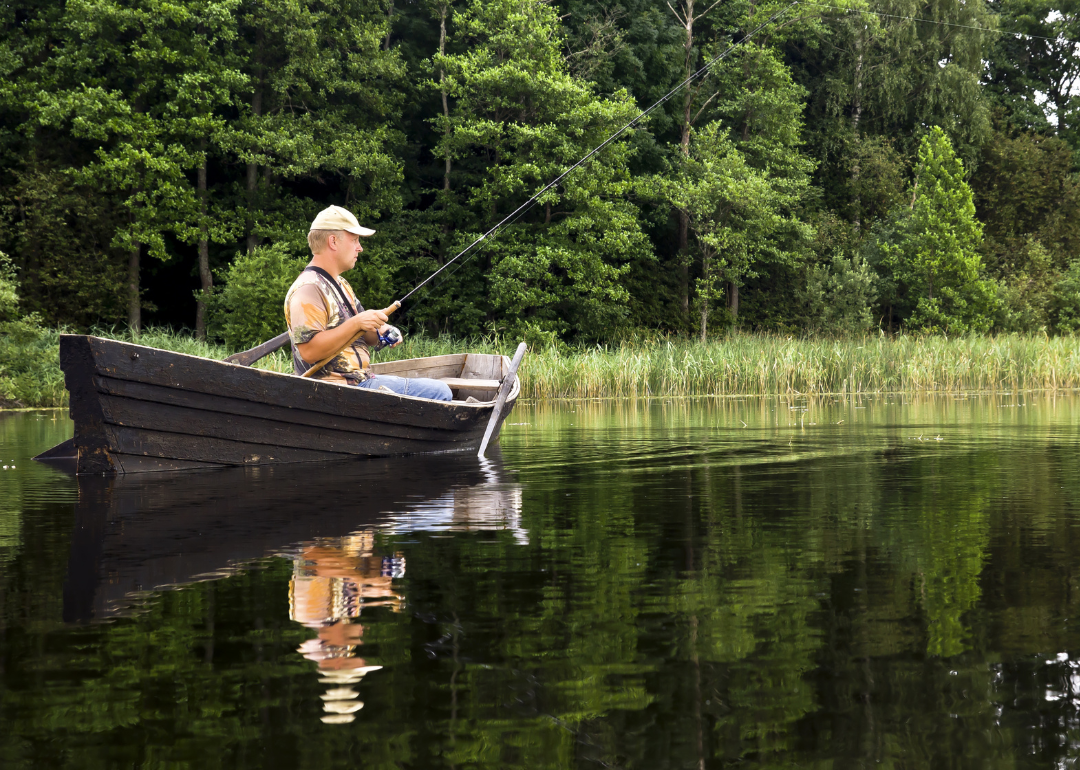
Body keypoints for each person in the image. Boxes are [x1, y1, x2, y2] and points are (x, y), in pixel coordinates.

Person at [284, 205, 453, 401]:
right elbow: (309, 351)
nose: (360, 247)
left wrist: (380, 330)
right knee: (440, 392)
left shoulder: (341, 284)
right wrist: (357, 322)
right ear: (333, 241)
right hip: (336, 390)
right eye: (354, 240)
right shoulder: (309, 289)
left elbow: (365, 336)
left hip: (359, 383)